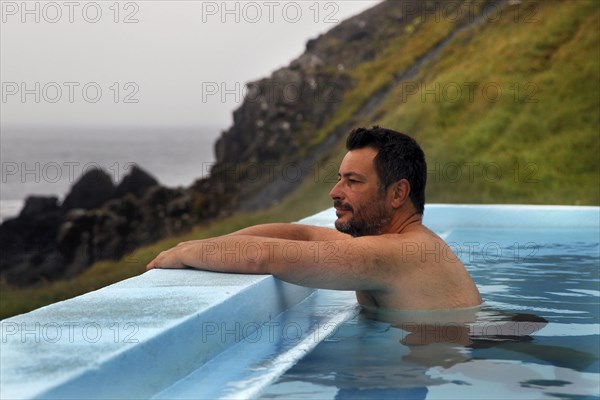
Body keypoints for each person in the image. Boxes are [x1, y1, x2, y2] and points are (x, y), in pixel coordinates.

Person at [147, 126, 482, 310]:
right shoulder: (390, 245)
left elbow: (263, 255)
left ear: (397, 194)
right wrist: (203, 244)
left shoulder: (397, 254)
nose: (335, 192)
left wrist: (181, 253)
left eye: (353, 181)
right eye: (339, 178)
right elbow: (300, 236)